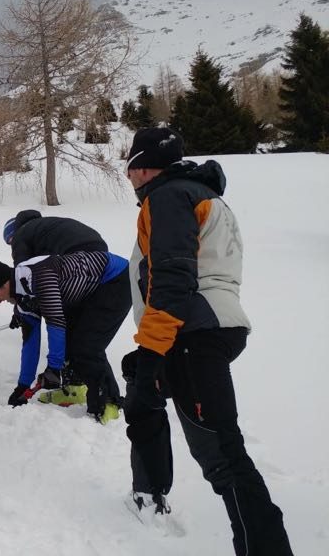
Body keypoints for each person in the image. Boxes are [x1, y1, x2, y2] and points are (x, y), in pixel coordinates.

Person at [122, 127, 292, 554]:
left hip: (190, 332)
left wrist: (151, 352)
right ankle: (149, 487)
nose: (130, 182)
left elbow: (172, 277)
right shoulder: (200, 194)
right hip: (208, 327)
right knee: (154, 401)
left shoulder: (167, 197)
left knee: (223, 456)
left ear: (143, 168)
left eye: (130, 172)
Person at [0, 250, 128, 424]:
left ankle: (109, 403)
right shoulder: (23, 300)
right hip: (88, 291)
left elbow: (55, 321)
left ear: (4, 284)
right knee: (73, 344)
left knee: (87, 346)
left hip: (115, 278)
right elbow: (30, 342)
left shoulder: (38, 276)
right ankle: (79, 390)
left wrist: (54, 368)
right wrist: (23, 385)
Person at [1, 209, 110, 406]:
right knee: (79, 330)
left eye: (10, 244)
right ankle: (76, 385)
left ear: (12, 236)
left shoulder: (21, 235)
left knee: (62, 321)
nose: (12, 248)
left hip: (78, 256)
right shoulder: (49, 228)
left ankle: (86, 389)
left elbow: (23, 277)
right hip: (99, 257)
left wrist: (20, 309)